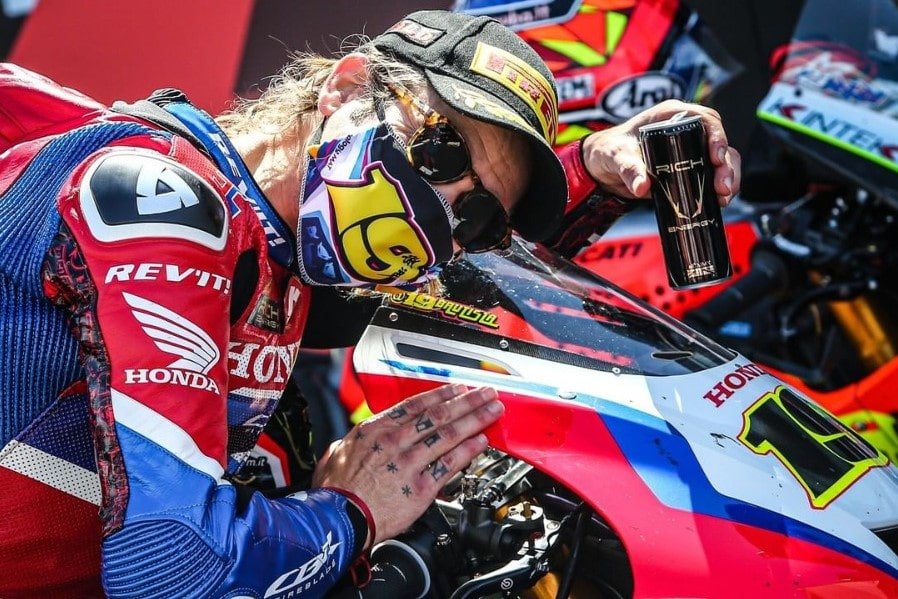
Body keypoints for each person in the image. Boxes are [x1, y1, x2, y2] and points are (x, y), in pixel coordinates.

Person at [0, 9, 740, 598]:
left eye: (477, 215)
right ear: (347, 87)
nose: (442, 216)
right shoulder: (163, 205)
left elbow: (468, 274)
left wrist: (597, 167)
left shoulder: (282, 256)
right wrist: (354, 511)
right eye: (443, 152)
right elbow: (171, 566)